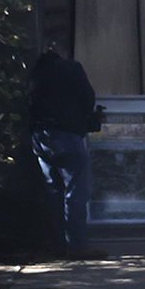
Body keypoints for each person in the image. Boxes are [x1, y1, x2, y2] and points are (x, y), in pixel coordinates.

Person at [28, 44, 103, 256]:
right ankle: (77, 246)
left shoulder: (36, 72)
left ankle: (59, 245)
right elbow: (87, 99)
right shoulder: (71, 68)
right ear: (65, 53)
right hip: (67, 136)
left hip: (41, 137)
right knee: (76, 192)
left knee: (54, 192)